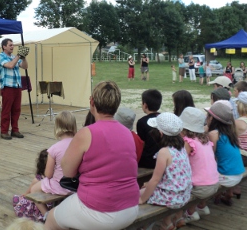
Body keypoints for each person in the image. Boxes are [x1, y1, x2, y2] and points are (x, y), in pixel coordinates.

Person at [44, 81, 139, 230]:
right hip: (131, 207)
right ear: (117, 104)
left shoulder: (85, 134)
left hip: (99, 209)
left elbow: (68, 172)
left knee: (51, 218)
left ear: (92, 102)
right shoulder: (128, 133)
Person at [139, 112, 192, 230]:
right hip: (184, 194)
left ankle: (144, 225)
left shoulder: (164, 152)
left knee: (137, 195)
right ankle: (166, 224)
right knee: (146, 188)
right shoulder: (182, 146)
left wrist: (142, 199)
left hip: (171, 197)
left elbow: (155, 179)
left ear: (161, 133)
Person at [28, 111, 77, 216]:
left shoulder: (54, 149)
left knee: (33, 189)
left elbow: (48, 174)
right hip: (76, 185)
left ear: (57, 127)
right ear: (74, 126)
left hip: (60, 186)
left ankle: (47, 214)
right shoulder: (79, 145)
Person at [179, 107, 219, 224]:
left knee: (181, 189)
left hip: (201, 187)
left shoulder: (188, 142)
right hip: (215, 182)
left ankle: (189, 214)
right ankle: (202, 207)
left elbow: (181, 164)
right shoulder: (205, 139)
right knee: (201, 180)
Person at [206, 101, 245, 206]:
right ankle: (228, 194)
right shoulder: (231, 133)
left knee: (205, 173)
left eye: (208, 115)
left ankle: (203, 204)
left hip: (227, 178)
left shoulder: (214, 134)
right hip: (239, 173)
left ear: (211, 118)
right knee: (226, 162)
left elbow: (211, 156)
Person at [0, 38, 28, 140]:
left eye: (13, 45)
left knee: (16, 110)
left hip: (17, 86)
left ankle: (15, 130)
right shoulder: (0, 56)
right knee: (6, 110)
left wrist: (23, 58)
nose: (12, 46)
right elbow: (10, 65)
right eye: (10, 45)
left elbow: (25, 66)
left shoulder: (15, 57)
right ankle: (4, 131)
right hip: (7, 87)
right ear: (4, 46)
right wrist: (19, 55)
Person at [14, 149, 50, 222]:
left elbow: (28, 193)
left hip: (44, 204)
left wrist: (23, 196)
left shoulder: (39, 179)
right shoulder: (41, 179)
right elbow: (29, 193)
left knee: (20, 200)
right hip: (45, 204)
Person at [137, 89, 163, 168]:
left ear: (145, 105)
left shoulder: (142, 122)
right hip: (163, 158)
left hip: (148, 161)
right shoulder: (164, 118)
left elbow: (141, 144)